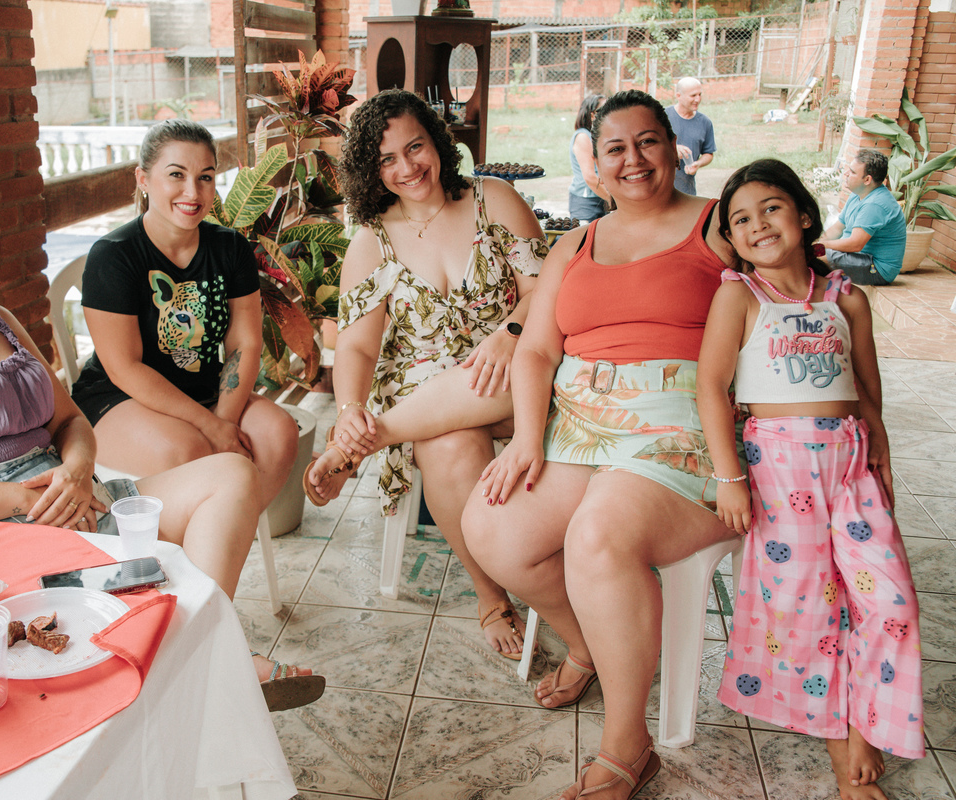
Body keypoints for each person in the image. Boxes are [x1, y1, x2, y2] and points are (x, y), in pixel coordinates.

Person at [0, 165, 323, 712]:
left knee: (231, 474)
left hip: (73, 499)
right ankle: (211, 659)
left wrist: (76, 471)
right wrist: (25, 498)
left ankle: (188, 656)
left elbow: (70, 423)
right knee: (185, 522)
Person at [462, 90, 740, 800]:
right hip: (581, 425)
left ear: (674, 147)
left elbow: (800, 292)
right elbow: (535, 352)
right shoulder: (575, 243)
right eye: (614, 147)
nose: (633, 159)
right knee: (491, 525)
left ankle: (628, 742)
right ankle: (588, 643)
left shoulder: (717, 226)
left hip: (682, 428)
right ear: (594, 162)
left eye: (648, 141)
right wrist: (528, 438)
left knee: (597, 538)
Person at [700, 159, 921, 800]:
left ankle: (870, 718)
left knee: (891, 602)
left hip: (851, 465)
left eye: (770, 207)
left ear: (803, 213)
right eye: (740, 218)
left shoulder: (847, 298)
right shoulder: (738, 296)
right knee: (810, 609)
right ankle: (846, 744)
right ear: (733, 240)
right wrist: (729, 476)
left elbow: (867, 387)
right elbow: (712, 389)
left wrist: (879, 441)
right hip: (778, 467)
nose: (757, 224)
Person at [303, 88, 548, 661]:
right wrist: (348, 410)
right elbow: (358, 348)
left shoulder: (495, 201)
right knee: (446, 446)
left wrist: (508, 334)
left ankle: (364, 445)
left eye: (415, 147)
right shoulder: (373, 240)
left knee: (465, 393)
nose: (407, 167)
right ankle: (491, 595)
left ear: (438, 141)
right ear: (371, 169)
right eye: (386, 159)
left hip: (516, 372)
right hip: (427, 396)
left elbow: (546, 291)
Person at [70, 119, 298, 512]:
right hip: (120, 400)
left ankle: (219, 555)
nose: (193, 192)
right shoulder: (114, 255)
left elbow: (245, 342)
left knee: (279, 434)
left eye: (205, 177)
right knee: (189, 450)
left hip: (208, 392)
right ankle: (184, 561)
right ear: (143, 178)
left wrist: (223, 421)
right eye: (176, 174)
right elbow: (124, 368)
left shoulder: (231, 249)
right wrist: (211, 428)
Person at [818, 149, 907, 286]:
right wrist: (814, 242)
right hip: (859, 258)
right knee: (809, 254)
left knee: (815, 258)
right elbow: (837, 229)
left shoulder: (875, 204)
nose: (846, 173)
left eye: (852, 172)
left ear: (867, 180)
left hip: (877, 268)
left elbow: (855, 244)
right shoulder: (857, 194)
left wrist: (819, 246)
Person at [666, 77, 716, 196]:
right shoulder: (663, 117)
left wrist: (697, 164)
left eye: (700, 94)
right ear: (678, 96)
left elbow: (708, 153)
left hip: (686, 190)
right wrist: (672, 149)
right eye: (693, 95)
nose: (698, 99)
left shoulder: (705, 122)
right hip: (661, 188)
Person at [569, 93, 610, 222]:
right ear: (592, 115)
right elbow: (590, 177)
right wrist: (612, 200)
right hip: (587, 201)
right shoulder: (583, 136)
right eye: (605, 110)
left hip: (602, 197)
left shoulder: (599, 136)